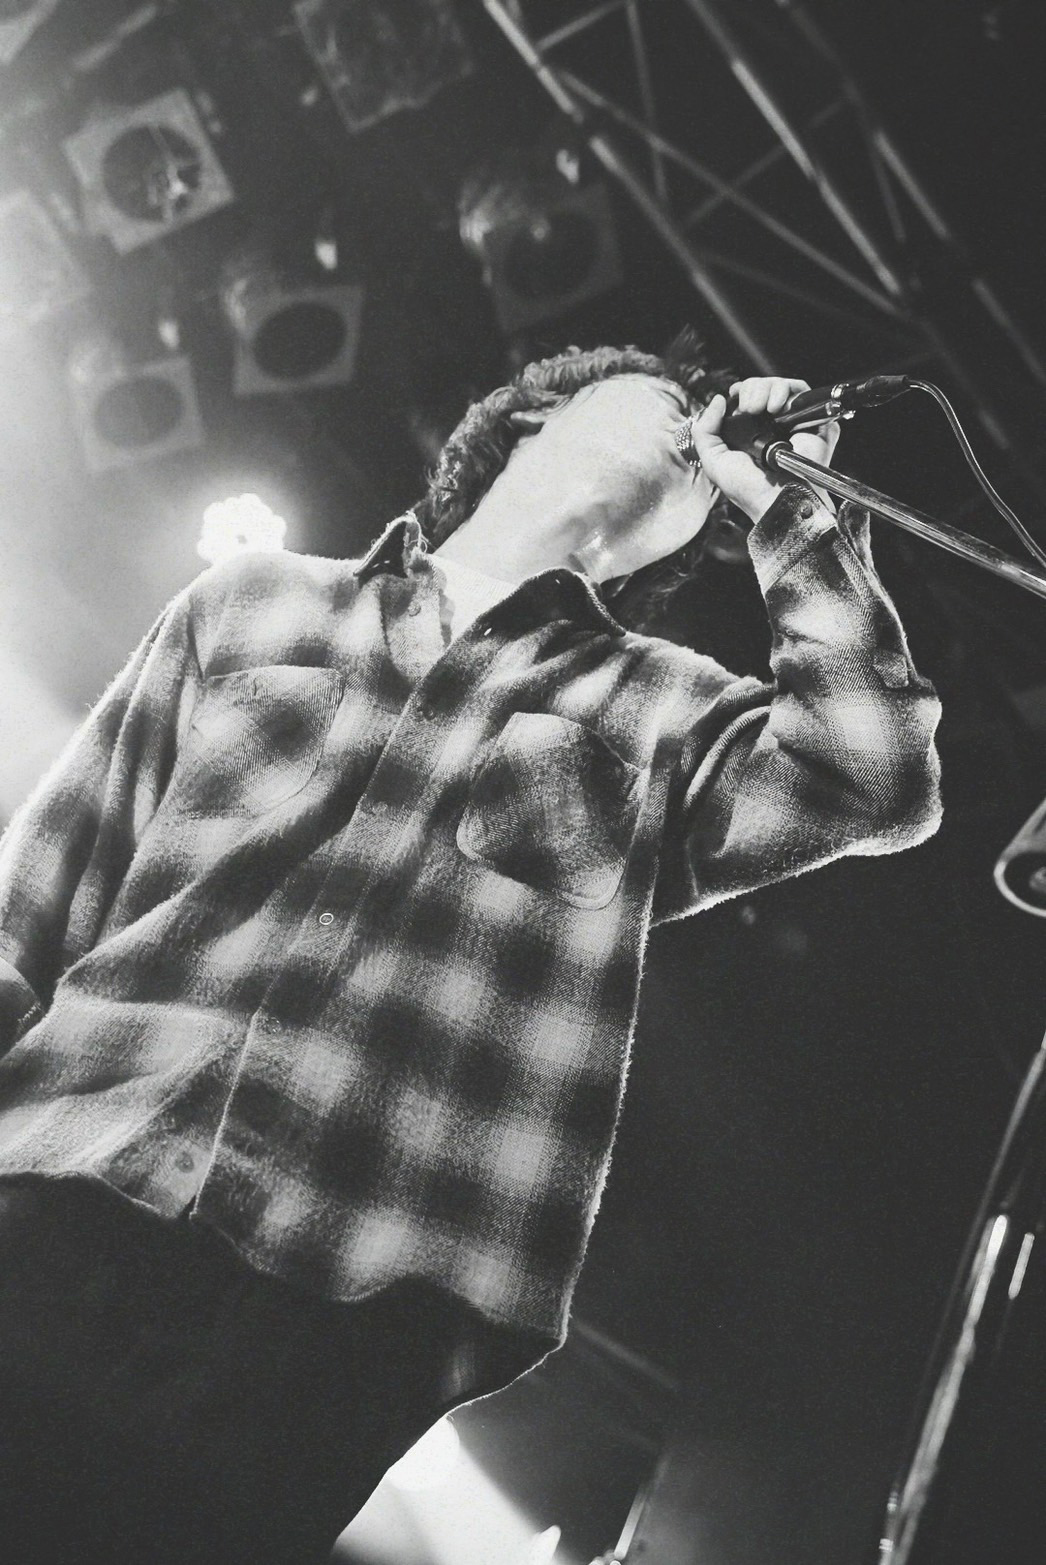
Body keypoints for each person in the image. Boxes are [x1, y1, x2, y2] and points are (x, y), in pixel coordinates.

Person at [0, 338, 942, 1564]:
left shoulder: (663, 702)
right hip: (66, 1174)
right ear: (530, 419)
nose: (693, 426)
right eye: (664, 397)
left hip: (355, 1299)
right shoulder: (254, 599)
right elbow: (41, 891)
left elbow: (872, 774)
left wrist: (791, 511)